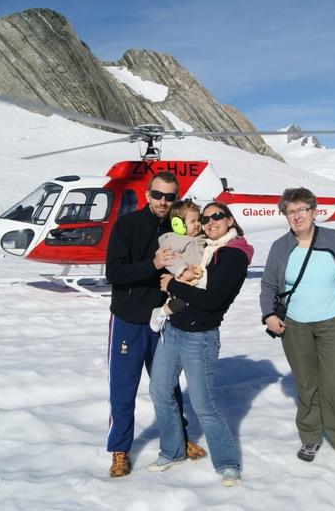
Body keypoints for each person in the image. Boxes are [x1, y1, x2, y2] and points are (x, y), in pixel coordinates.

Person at [104, 171, 206, 478]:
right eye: (158, 195)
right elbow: (114, 273)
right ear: (148, 195)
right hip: (129, 319)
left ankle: (179, 439)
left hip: (166, 320)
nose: (164, 201)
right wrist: (154, 264)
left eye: (170, 197)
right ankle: (120, 450)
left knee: (167, 386)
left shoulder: (179, 226)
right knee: (124, 387)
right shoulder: (128, 225)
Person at [147, 202, 253, 487]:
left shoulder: (233, 255)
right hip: (173, 331)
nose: (210, 222)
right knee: (159, 391)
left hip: (200, 338)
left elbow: (211, 300)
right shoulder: (205, 248)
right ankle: (172, 451)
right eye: (205, 218)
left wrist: (171, 284)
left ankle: (227, 464)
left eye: (217, 216)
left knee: (203, 404)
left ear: (230, 220)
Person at [259, 187, 335, 468]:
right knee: (306, 381)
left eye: (302, 209)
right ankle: (310, 434)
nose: (297, 216)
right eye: (291, 211)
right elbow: (268, 285)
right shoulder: (281, 247)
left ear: (314, 212)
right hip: (295, 325)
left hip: (334, 322)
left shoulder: (334, 239)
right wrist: (268, 314)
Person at [149, 199, 206, 332]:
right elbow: (169, 258)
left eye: (199, 220)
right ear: (178, 224)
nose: (197, 224)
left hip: (196, 280)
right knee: (179, 303)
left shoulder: (201, 239)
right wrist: (182, 270)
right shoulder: (174, 240)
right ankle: (160, 313)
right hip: (181, 280)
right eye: (193, 221)